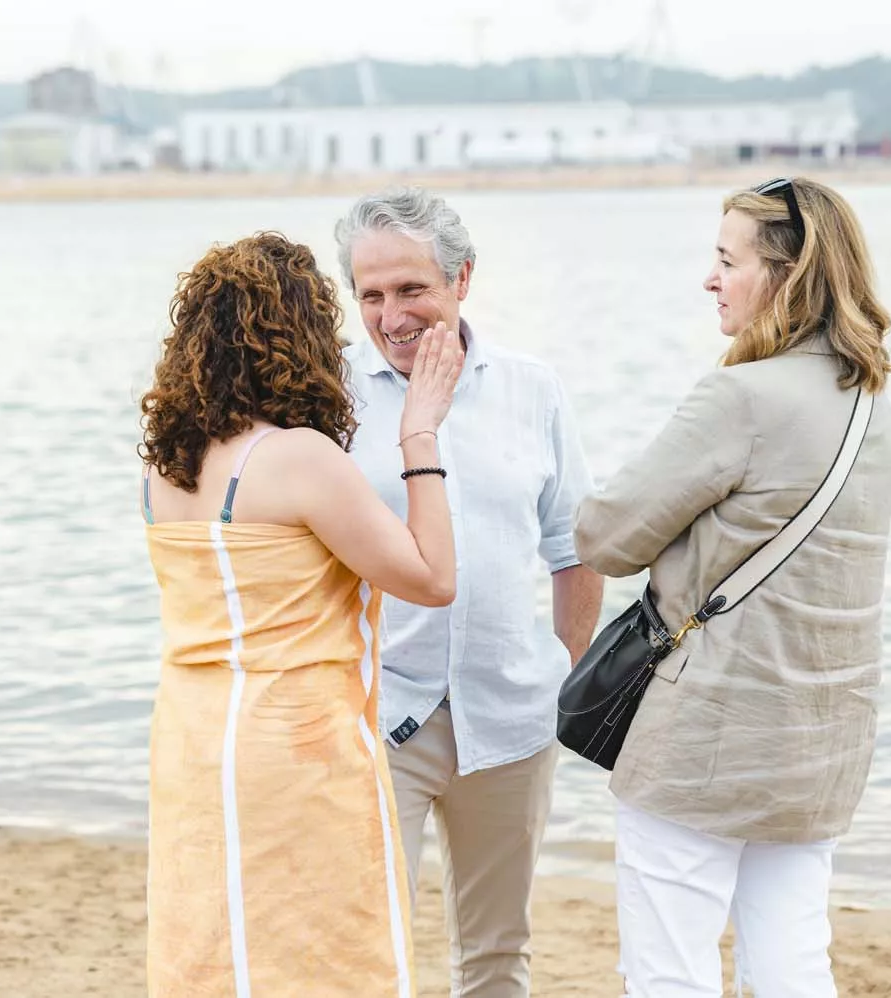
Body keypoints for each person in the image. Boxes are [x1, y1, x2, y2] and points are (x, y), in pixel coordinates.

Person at [574, 178, 891, 997]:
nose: (710, 279)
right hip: (822, 741)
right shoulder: (869, 400)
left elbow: (606, 539)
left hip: (707, 742)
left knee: (669, 969)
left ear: (785, 275)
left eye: (727, 260)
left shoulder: (740, 397)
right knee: (792, 961)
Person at [139, 232, 462, 995]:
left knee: (214, 934)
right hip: (294, 738)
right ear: (300, 336)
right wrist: (419, 434)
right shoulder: (298, 457)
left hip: (192, 732)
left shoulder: (162, 464)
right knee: (325, 944)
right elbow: (431, 577)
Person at [335, 187, 603, 997]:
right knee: (365, 944)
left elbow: (573, 547)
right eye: (370, 295)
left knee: (497, 953)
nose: (391, 315)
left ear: (463, 278)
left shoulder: (533, 388)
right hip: (379, 719)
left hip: (514, 717)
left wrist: (568, 671)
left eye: (411, 289)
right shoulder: (328, 401)